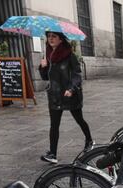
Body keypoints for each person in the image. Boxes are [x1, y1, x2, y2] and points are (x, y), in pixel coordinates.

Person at [39, 31, 94, 164]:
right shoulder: (47, 55)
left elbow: (77, 74)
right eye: (49, 37)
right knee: (54, 125)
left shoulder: (69, 55)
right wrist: (43, 67)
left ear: (61, 40)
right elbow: (45, 77)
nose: (50, 39)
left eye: (54, 37)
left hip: (70, 95)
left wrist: (71, 88)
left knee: (79, 119)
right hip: (54, 95)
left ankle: (89, 140)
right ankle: (53, 154)